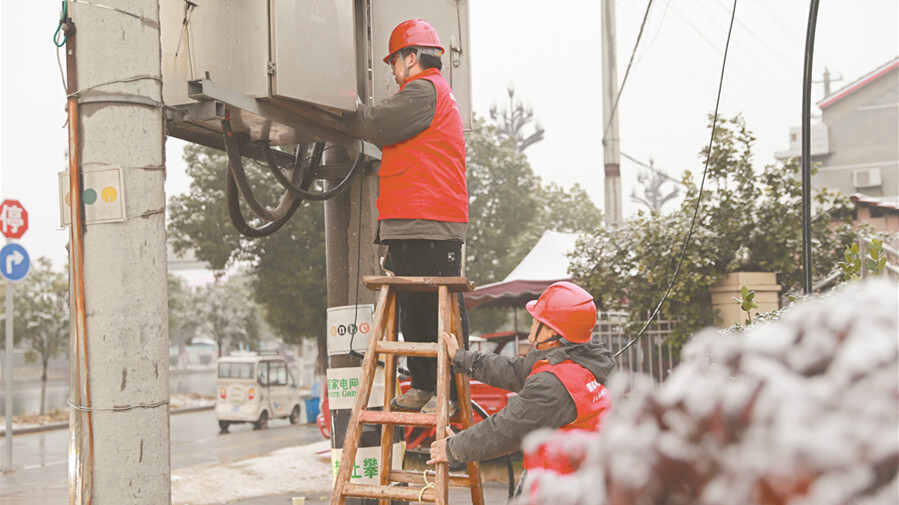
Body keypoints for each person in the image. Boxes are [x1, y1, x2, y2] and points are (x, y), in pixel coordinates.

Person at [350, 19, 469, 416]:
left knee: (437, 311)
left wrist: (346, 110)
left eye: (394, 61)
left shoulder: (424, 90)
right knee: (415, 310)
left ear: (412, 57)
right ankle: (423, 384)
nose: (392, 70)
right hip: (411, 219)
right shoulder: (433, 92)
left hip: (429, 218)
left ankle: (450, 392)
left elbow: (373, 123)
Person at [427, 281, 615, 473]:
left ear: (552, 332)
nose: (532, 323)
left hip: (562, 482)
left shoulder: (552, 385)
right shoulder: (585, 363)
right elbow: (514, 370)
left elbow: (506, 429)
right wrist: (461, 357)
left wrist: (453, 448)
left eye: (537, 319)